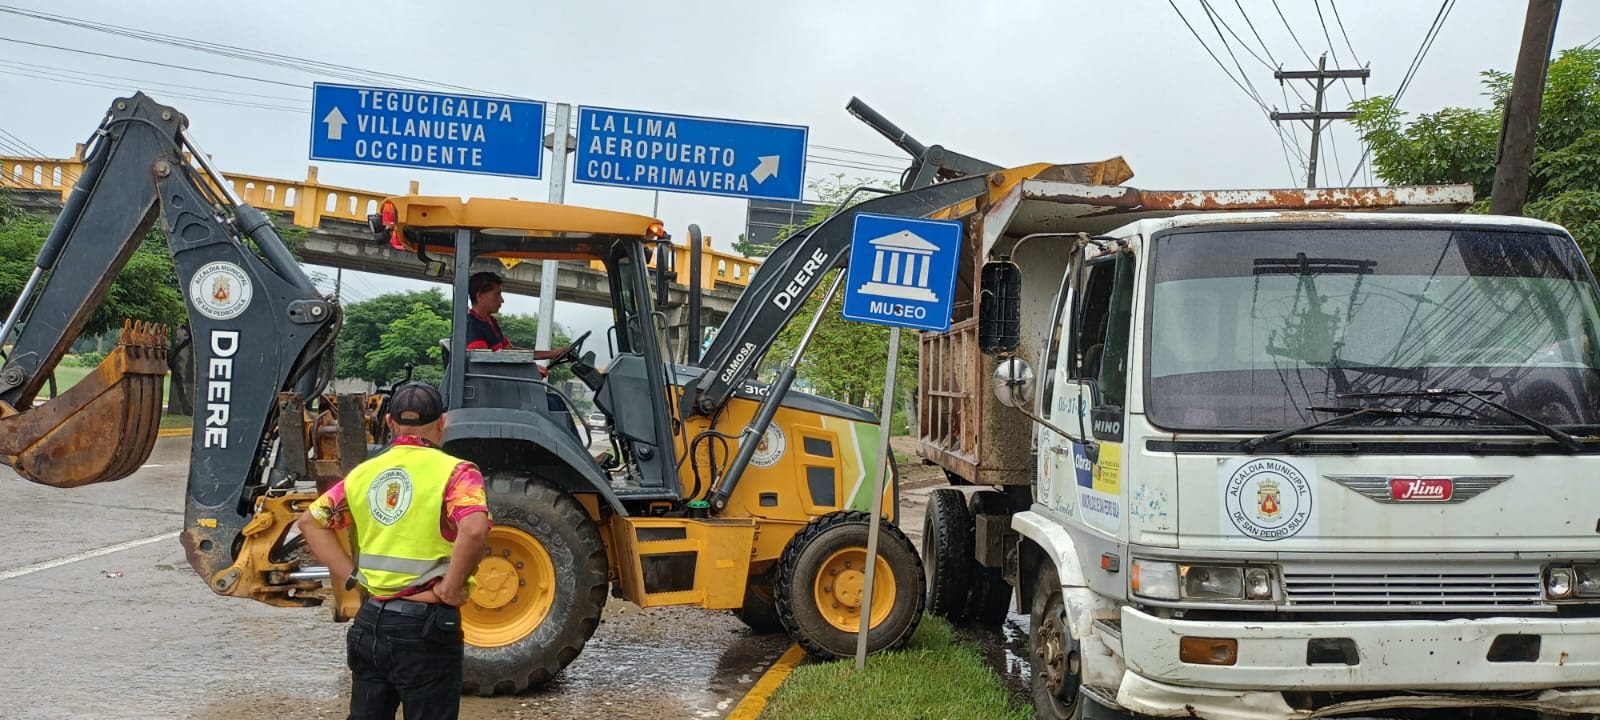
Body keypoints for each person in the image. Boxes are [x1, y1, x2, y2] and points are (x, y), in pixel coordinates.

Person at [297, 381, 491, 720]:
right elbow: (474, 529)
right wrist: (451, 587)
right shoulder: (457, 473)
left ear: (390, 423)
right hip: (426, 625)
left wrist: (353, 576)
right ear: (442, 422)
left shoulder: (364, 474)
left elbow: (310, 523)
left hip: (370, 620)